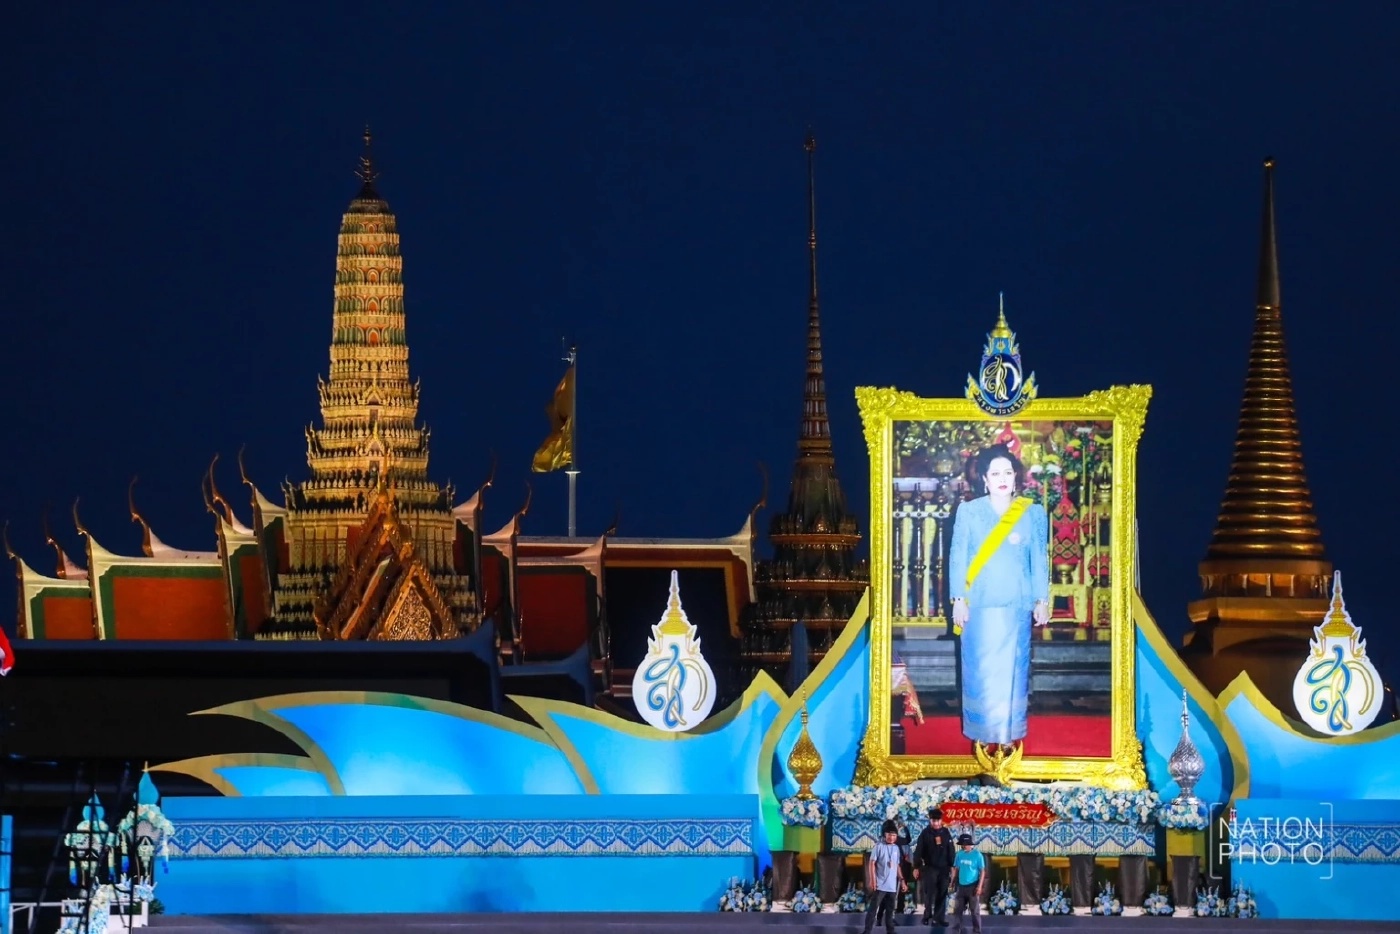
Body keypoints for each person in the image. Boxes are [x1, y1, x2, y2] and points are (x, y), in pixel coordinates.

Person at [947, 443, 1050, 747]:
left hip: (1016, 606)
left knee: (1013, 672)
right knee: (980, 673)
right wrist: (958, 600)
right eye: (995, 473)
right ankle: (981, 736)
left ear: (1016, 476)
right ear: (984, 479)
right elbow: (958, 557)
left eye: (1007, 472)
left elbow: (1039, 559)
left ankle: (1008, 737)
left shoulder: (1032, 513)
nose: (1002, 479)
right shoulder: (969, 511)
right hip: (978, 606)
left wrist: (1042, 600)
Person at [912, 807, 956, 926]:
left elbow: (951, 850)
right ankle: (927, 916)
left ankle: (938, 918)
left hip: (944, 868)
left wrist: (952, 866)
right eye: (933, 821)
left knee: (942, 893)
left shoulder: (945, 832)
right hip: (930, 868)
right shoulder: (925, 833)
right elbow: (918, 851)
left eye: (938, 821)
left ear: (941, 820)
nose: (936, 823)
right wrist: (916, 867)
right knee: (929, 893)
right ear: (930, 820)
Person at [863, 819, 907, 934]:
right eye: (889, 835)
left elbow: (897, 865)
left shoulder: (896, 848)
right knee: (873, 909)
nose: (892, 837)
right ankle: (867, 931)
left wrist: (902, 880)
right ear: (884, 834)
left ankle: (890, 931)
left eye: (894, 835)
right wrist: (873, 880)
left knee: (890, 911)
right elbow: (871, 863)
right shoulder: (879, 846)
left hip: (892, 886)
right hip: (880, 884)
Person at [950, 833, 986, 934]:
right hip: (961, 886)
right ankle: (956, 930)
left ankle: (977, 931)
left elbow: (982, 871)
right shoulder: (959, 854)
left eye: (965, 844)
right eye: (962, 844)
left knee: (974, 911)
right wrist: (952, 882)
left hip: (973, 886)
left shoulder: (977, 855)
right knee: (958, 910)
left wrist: (979, 887)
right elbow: (956, 869)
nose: (963, 846)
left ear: (970, 844)